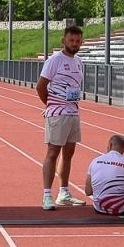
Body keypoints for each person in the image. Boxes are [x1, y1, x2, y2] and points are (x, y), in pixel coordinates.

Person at [36, 25, 85, 209]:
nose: (75, 44)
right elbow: (40, 86)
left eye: (78, 41)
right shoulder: (55, 60)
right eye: (71, 40)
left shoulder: (79, 61)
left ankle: (64, 192)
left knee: (68, 154)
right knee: (52, 153)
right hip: (58, 114)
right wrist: (51, 105)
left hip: (73, 112)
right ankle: (46, 195)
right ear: (64, 40)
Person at [84, 134, 124, 216]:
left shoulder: (95, 161)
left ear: (109, 145)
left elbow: (88, 191)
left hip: (99, 208)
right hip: (120, 208)